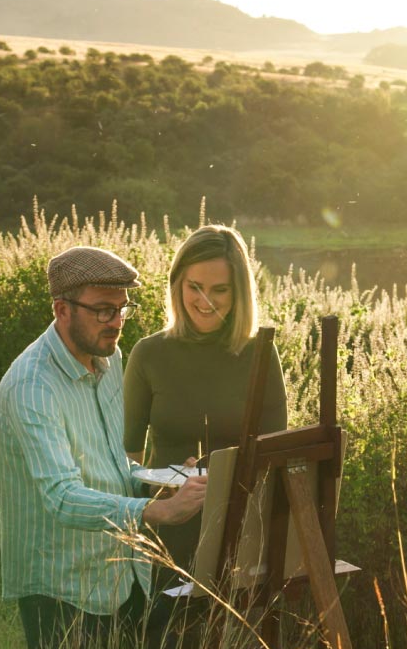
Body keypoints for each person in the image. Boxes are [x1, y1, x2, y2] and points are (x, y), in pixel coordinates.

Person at [0, 246, 207, 649]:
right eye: (103, 310)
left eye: (123, 308)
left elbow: (115, 468)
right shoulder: (31, 388)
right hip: (59, 585)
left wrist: (168, 477)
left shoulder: (108, 368)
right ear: (61, 309)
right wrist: (155, 511)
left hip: (121, 569)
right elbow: (63, 497)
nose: (117, 322)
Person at [123, 225, 288, 592]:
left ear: (240, 291)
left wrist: (223, 476)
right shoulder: (148, 354)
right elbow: (125, 460)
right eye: (194, 286)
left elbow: (277, 456)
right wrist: (155, 499)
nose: (204, 300)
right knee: (164, 644)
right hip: (166, 534)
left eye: (220, 289)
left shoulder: (260, 354)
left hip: (241, 532)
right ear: (176, 284)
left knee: (230, 645)